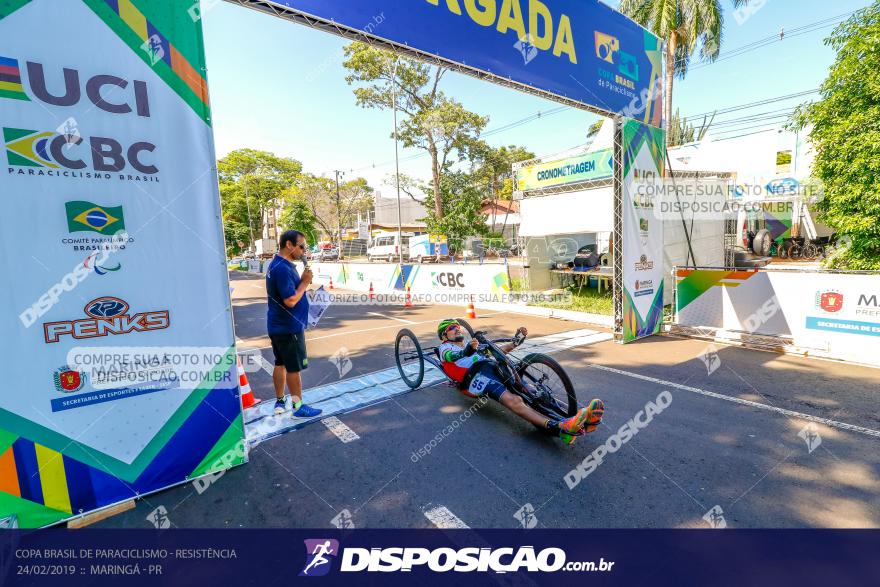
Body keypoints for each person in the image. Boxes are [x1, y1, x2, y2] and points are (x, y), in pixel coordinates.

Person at [436, 318, 604, 444]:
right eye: (452, 328)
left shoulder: (471, 345)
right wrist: (467, 350)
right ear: (444, 335)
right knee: (514, 400)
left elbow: (498, 351)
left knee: (529, 389)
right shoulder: (445, 348)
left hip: (492, 367)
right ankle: (560, 429)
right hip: (475, 377)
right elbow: (453, 357)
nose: (457, 330)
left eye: (457, 327)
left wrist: (515, 342)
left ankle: (580, 420)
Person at [266, 230, 322, 418]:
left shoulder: (280, 264)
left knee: (280, 363)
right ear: (289, 245)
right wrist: (305, 283)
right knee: (293, 367)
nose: (303, 251)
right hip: (289, 328)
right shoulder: (282, 268)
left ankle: (280, 401)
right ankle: (298, 406)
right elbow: (290, 300)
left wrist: (304, 288)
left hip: (278, 325)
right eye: (301, 246)